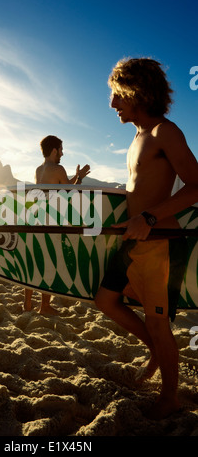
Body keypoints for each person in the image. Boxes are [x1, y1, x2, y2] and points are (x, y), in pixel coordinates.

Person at [94, 58, 198, 420]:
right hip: (136, 240)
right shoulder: (138, 137)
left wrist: (151, 216)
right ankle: (156, 348)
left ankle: (171, 397)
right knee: (106, 299)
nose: (112, 104)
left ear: (137, 91)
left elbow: (197, 186)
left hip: (161, 243)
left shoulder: (165, 132)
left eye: (116, 96)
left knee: (158, 321)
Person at [24, 135, 90, 315]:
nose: (62, 153)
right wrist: (80, 177)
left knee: (34, 259)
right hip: (51, 220)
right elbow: (69, 191)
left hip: (36, 217)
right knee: (48, 261)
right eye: (61, 149)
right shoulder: (58, 168)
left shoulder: (39, 169)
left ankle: (27, 305)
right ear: (54, 150)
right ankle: (44, 306)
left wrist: (76, 176)